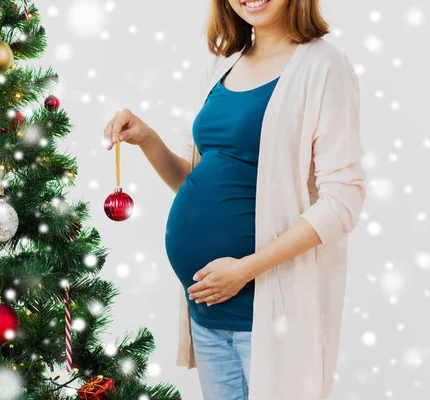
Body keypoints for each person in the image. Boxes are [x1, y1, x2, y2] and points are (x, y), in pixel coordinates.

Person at [103, 0, 366, 399]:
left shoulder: (323, 66)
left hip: (264, 317)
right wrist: (147, 139)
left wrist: (246, 269)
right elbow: (201, 181)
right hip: (207, 314)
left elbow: (343, 200)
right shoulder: (225, 63)